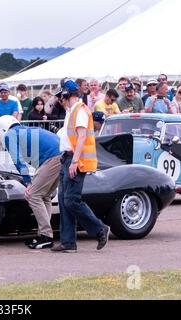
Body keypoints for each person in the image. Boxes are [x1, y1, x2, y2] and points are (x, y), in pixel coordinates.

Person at [51, 80, 110, 253]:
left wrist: (75, 161)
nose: (60, 100)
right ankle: (68, 242)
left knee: (71, 200)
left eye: (62, 96)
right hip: (67, 158)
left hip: (76, 160)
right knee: (64, 200)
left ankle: (99, 229)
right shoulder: (72, 111)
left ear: (67, 95)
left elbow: (82, 137)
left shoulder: (80, 111)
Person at [0, 115, 62, 249]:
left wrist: (27, 182)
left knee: (33, 195)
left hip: (52, 158)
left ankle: (46, 236)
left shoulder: (10, 135)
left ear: (1, 129)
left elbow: (18, 161)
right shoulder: (25, 130)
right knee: (44, 196)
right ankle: (44, 234)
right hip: (62, 156)